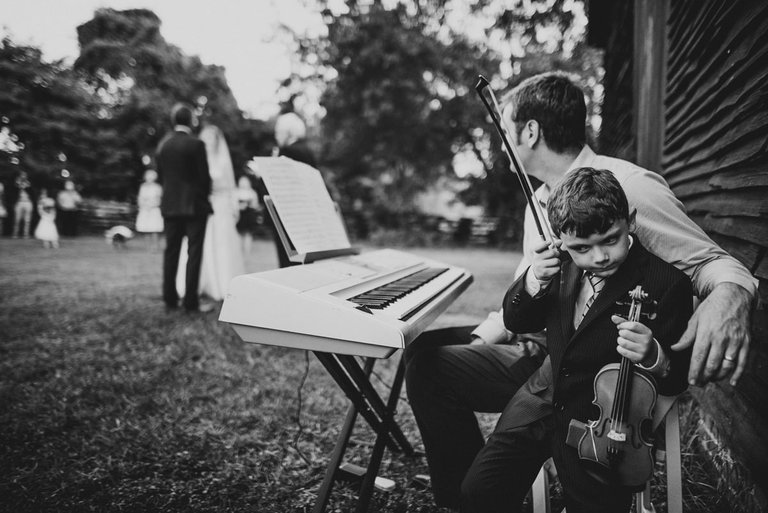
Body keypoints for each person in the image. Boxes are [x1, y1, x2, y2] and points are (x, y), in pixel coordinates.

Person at [404, 72, 757, 510]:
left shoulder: (630, 187)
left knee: (432, 366)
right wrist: (485, 335)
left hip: (589, 367)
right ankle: (469, 497)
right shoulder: (542, 201)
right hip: (542, 346)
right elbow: (532, 290)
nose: (501, 145)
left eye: (506, 130)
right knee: (424, 355)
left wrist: (734, 291)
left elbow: (708, 261)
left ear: (529, 131)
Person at [465, 167, 692, 513]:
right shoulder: (558, 265)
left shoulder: (667, 283)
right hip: (541, 398)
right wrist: (533, 280)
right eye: (581, 247)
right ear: (561, 240)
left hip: (601, 427)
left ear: (629, 220)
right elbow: (516, 319)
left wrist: (652, 354)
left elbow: (678, 376)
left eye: (610, 240)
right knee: (479, 493)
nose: (599, 256)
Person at [176, 124, 245, 301]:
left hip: (221, 206)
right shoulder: (197, 158)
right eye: (205, 137)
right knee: (200, 244)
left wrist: (233, 207)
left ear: (217, 140)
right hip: (202, 205)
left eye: (211, 137)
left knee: (222, 244)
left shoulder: (223, 160)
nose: (208, 141)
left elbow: (231, 187)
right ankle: (197, 283)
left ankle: (222, 284)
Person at [156, 103, 213, 313]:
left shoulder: (163, 145)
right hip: (194, 208)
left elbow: (162, 177)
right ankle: (191, 302)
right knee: (194, 254)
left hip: (170, 207)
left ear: (174, 120)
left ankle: (170, 299)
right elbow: (204, 179)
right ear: (191, 121)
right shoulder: (196, 145)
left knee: (171, 252)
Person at [135, 169, 164, 252]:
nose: (149, 178)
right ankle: (147, 247)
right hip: (144, 210)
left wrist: (152, 205)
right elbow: (140, 198)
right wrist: (143, 205)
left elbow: (159, 199)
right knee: (146, 229)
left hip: (154, 209)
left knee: (154, 229)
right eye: (148, 177)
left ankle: (155, 247)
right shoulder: (143, 187)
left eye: (151, 177)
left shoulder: (158, 187)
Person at [235, 174, 260, 257]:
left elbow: (255, 205)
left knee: (247, 234)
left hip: (248, 216)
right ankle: (240, 251)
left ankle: (246, 252)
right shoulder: (236, 192)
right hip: (240, 216)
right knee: (240, 234)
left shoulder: (252, 193)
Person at [12, 170, 33, 238]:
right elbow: (14, 191)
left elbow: (32, 193)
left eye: (24, 175)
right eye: (22, 175)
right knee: (17, 219)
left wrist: (26, 186)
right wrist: (19, 184)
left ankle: (25, 234)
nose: (23, 176)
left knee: (27, 220)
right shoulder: (17, 183)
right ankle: (15, 234)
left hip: (28, 202)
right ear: (20, 175)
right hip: (19, 202)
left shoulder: (29, 183)